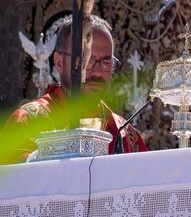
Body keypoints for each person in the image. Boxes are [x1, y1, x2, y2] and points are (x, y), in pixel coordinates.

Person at [8, 15, 148, 161]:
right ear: (59, 62)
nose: (98, 72)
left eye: (106, 62)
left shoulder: (125, 134)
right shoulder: (28, 121)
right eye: (87, 60)